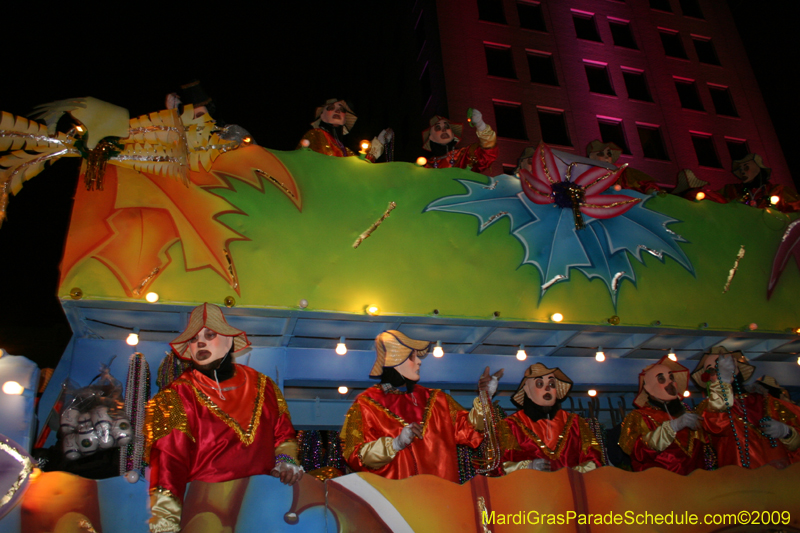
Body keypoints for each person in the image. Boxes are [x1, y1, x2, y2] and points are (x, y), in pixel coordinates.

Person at [144, 303, 303, 532]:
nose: (200, 342)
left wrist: (286, 461)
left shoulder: (265, 386)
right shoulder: (174, 397)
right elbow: (168, 465)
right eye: (193, 339)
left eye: (210, 335)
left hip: (265, 508)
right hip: (204, 511)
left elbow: (283, 435)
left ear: (229, 342)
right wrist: (165, 524)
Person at [340, 330, 502, 482]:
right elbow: (355, 456)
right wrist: (395, 444)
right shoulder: (366, 404)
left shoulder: (438, 399)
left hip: (442, 502)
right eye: (412, 357)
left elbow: (472, 431)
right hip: (396, 503)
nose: (419, 362)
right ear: (395, 362)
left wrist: (484, 397)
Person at [693, 346, 800, 469]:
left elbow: (796, 442)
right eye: (712, 370)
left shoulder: (769, 402)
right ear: (708, 378)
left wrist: (787, 433)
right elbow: (717, 425)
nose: (721, 370)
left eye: (725, 366)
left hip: (779, 480)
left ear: (737, 368)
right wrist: (723, 383)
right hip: (741, 482)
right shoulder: (706, 410)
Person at [498, 363, 604, 473]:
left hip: (569, 488)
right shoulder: (510, 426)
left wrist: (569, 474)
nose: (547, 388)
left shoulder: (576, 424)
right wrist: (528, 467)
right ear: (527, 390)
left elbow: (594, 462)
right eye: (539, 383)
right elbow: (500, 466)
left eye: (552, 384)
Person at [618, 356, 707, 474]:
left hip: (697, 485)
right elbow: (637, 452)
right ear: (648, 388)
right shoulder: (639, 417)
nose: (670, 382)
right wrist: (672, 427)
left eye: (671, 377)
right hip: (660, 486)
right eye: (661, 379)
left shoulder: (689, 413)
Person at [297, 98, 391, 162]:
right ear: (322, 116)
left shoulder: (343, 149)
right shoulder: (315, 134)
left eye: (341, 110)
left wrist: (379, 142)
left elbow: (359, 168)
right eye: (331, 108)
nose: (337, 111)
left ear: (344, 119)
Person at [717, 153, 800, 212]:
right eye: (740, 170)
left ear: (758, 169)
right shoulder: (732, 190)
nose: (743, 172)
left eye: (746, 167)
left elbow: (795, 207)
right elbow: (714, 199)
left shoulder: (779, 191)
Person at [421, 109, 497, 172]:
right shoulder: (425, 166)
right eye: (438, 128)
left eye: (447, 127)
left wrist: (481, 125)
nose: (444, 130)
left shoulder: (465, 155)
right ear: (431, 137)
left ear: (453, 135)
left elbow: (488, 153)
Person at [585, 140, 661, 194]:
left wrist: (651, 190)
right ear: (592, 157)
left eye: (609, 154)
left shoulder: (625, 173)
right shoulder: (586, 176)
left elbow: (647, 184)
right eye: (601, 154)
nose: (606, 157)